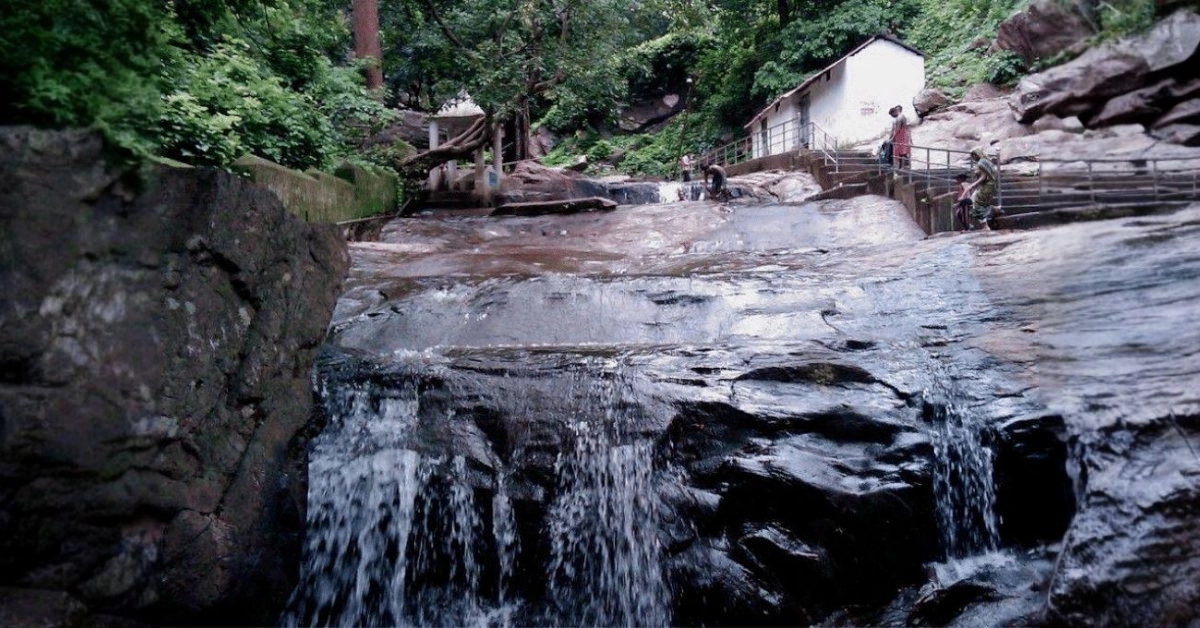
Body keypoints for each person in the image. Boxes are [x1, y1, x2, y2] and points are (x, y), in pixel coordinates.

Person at [963, 147, 999, 230]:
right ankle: (994, 209)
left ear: (978, 154)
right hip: (987, 186)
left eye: (974, 155)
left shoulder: (981, 163)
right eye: (972, 156)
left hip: (987, 186)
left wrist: (972, 185)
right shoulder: (985, 162)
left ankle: (985, 226)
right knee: (973, 200)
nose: (973, 158)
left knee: (976, 204)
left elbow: (983, 177)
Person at [888, 105, 911, 170]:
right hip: (903, 135)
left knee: (902, 152)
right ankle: (902, 166)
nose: (892, 117)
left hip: (901, 136)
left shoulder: (899, 118)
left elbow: (897, 129)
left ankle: (902, 167)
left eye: (892, 115)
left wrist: (892, 138)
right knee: (901, 152)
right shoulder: (902, 116)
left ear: (894, 112)